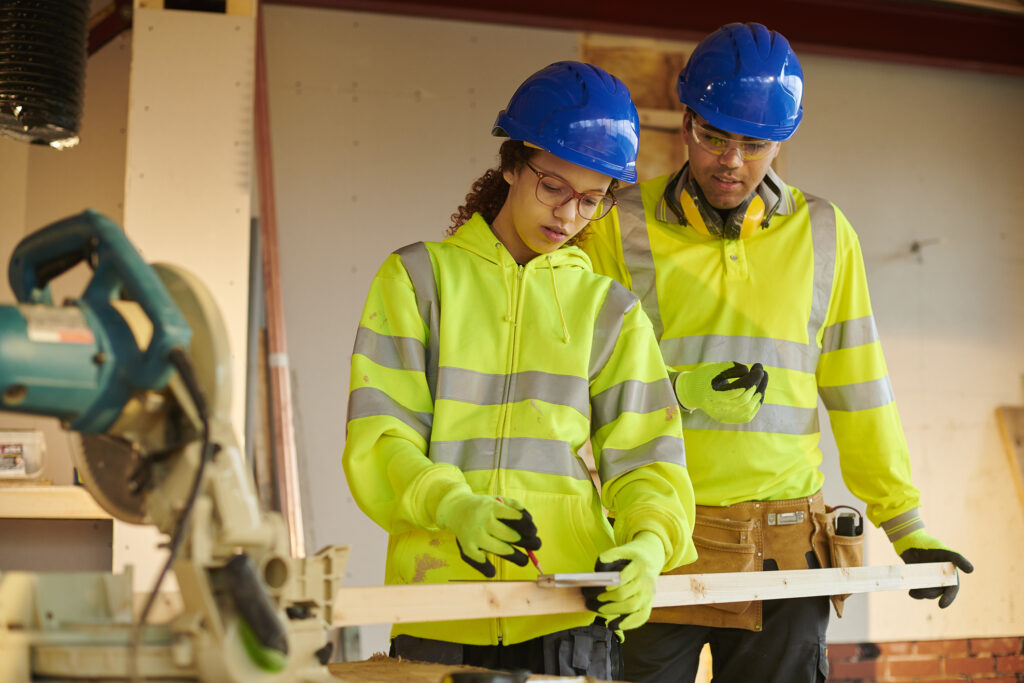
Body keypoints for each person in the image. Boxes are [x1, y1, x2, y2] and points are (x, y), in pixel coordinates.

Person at [582, 23, 974, 683]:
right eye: (714, 136)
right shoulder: (617, 225)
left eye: (754, 143)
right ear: (685, 123)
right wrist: (677, 389)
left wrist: (909, 527)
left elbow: (862, 391)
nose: (731, 161)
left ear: (781, 141)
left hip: (784, 548)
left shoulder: (825, 235)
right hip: (656, 540)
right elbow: (581, 382)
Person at [342, 61, 697, 680]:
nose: (568, 215)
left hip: (569, 612)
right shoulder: (417, 281)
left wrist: (648, 544)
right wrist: (454, 507)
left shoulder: (607, 310)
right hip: (439, 606)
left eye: (591, 200)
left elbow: (648, 461)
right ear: (511, 164)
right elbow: (380, 438)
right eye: (553, 186)